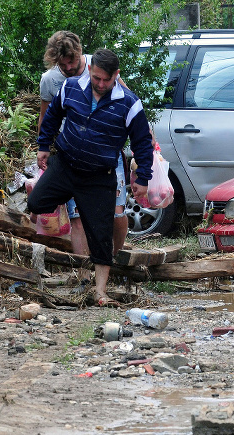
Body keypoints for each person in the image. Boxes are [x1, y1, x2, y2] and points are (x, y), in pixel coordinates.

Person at [29, 48, 154, 306]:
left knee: (100, 235)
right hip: (65, 165)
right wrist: (43, 145)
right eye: (96, 77)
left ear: (116, 75)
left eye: (106, 80)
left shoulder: (129, 103)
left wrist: (142, 177)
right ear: (90, 70)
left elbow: (142, 142)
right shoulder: (71, 87)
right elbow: (52, 116)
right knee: (36, 204)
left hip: (99, 176)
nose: (100, 84)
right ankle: (72, 214)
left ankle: (99, 292)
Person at [38, 32, 129, 287]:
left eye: (72, 62)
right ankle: (84, 277)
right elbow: (47, 118)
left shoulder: (100, 68)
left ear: (82, 55)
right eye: (62, 65)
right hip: (72, 158)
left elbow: (129, 104)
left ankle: (111, 259)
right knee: (77, 218)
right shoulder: (50, 81)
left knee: (115, 215)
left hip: (106, 156)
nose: (67, 68)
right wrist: (42, 148)